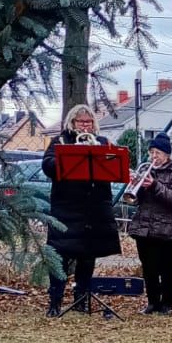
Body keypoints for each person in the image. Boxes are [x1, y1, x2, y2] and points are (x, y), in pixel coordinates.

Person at [41, 104, 121, 315]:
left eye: (89, 121)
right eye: (81, 122)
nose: (85, 126)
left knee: (88, 256)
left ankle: (81, 300)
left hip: (93, 209)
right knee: (59, 256)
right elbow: (47, 165)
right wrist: (68, 157)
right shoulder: (60, 142)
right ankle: (55, 301)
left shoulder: (102, 142)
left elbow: (116, 166)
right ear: (72, 122)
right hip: (66, 209)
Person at [127, 134, 172, 315]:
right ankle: (152, 302)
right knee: (148, 267)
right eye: (151, 152)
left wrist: (154, 185)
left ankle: (167, 304)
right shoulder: (146, 169)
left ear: (167, 154)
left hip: (166, 228)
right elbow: (137, 201)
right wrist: (135, 186)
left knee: (166, 267)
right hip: (144, 227)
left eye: (158, 153)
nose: (154, 156)